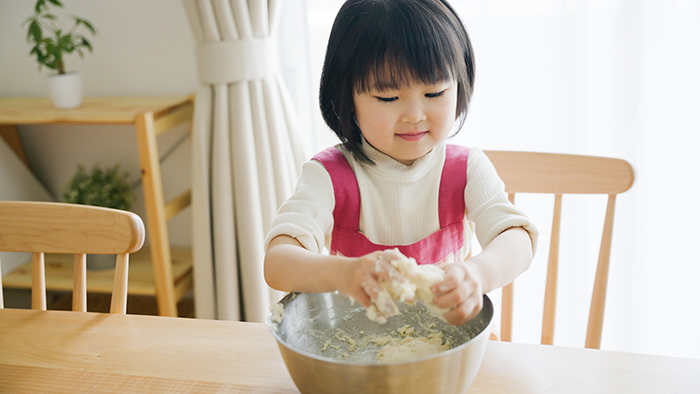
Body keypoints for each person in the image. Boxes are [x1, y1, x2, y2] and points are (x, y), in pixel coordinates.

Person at [264, 0, 538, 326]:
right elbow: (278, 263)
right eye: (388, 98)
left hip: (448, 346)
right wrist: (345, 273)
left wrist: (477, 273)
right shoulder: (330, 176)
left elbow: (517, 238)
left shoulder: (465, 169)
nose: (414, 115)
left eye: (435, 93)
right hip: (358, 351)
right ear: (348, 98)